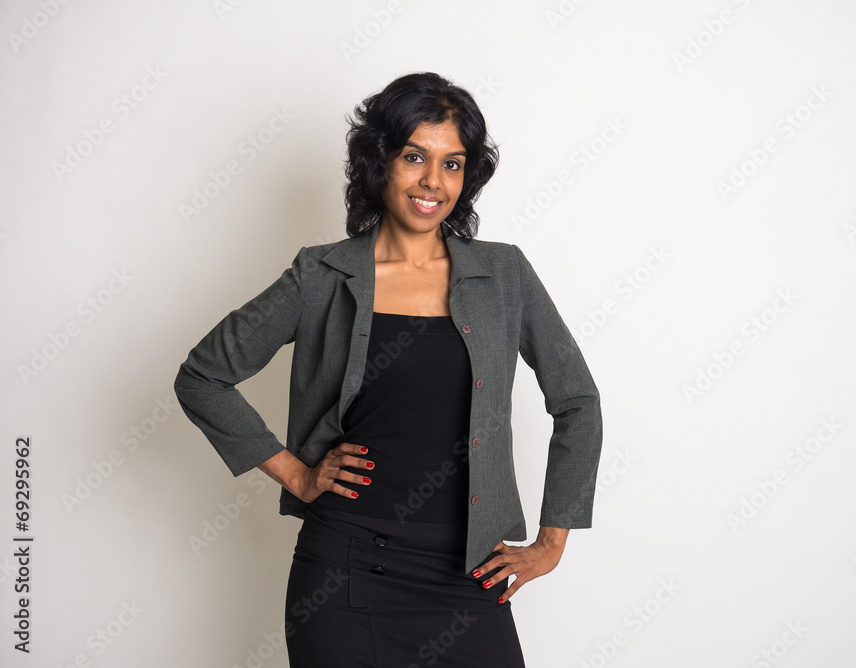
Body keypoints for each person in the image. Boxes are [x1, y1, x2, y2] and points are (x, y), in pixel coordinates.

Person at [173, 71, 602, 667]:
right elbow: (203, 376)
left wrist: (552, 540)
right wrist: (297, 475)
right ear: (380, 163)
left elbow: (577, 400)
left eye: (452, 164)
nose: (433, 182)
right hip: (346, 571)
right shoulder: (322, 275)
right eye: (414, 157)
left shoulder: (504, 275)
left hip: (469, 573)